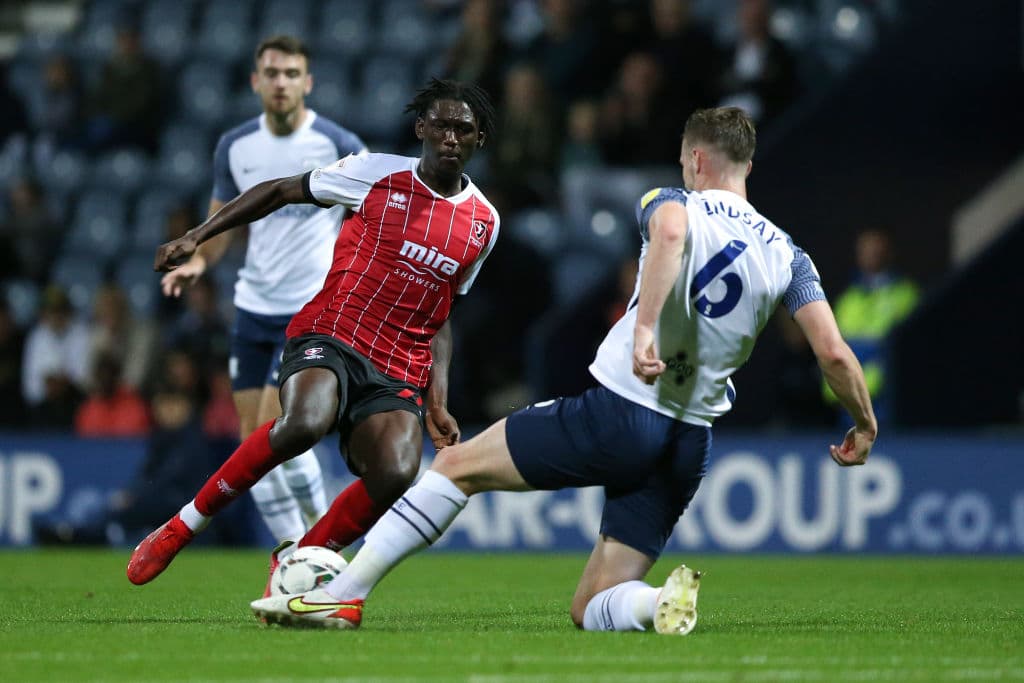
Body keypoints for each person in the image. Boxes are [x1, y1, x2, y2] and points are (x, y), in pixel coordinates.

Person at [249, 106, 878, 634]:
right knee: (590, 609)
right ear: (747, 166)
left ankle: (343, 594)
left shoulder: (672, 200)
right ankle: (656, 603)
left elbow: (667, 235)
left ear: (694, 160)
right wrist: (864, 423)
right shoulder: (790, 254)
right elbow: (834, 354)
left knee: (455, 467)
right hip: (689, 443)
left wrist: (645, 327)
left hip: (623, 413)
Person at [127, 78, 500, 591]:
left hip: (398, 364)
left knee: (396, 471)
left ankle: (300, 560)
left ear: (479, 138)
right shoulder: (375, 173)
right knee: (304, 422)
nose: (451, 136)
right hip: (335, 331)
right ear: (421, 129)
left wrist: (438, 400)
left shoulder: (484, 222)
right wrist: (197, 236)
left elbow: (442, 314)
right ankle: (183, 524)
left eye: (464, 129)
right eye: (441, 125)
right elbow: (280, 189)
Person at [159, 36, 367, 544]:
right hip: (252, 307)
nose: (280, 82)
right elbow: (223, 222)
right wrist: (199, 263)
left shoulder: (339, 145)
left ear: (307, 82)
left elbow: (372, 223)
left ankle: (321, 547)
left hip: (309, 310)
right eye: (272, 73)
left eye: (291, 73)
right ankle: (297, 555)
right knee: (250, 443)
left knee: (277, 435)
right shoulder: (236, 146)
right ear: (255, 81)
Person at [826, 228, 919, 424]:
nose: (871, 255)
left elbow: (898, 349)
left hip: (888, 402)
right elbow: (833, 348)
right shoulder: (848, 299)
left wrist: (864, 351)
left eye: (876, 250)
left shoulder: (906, 295)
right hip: (849, 399)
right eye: (865, 250)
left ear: (889, 252)